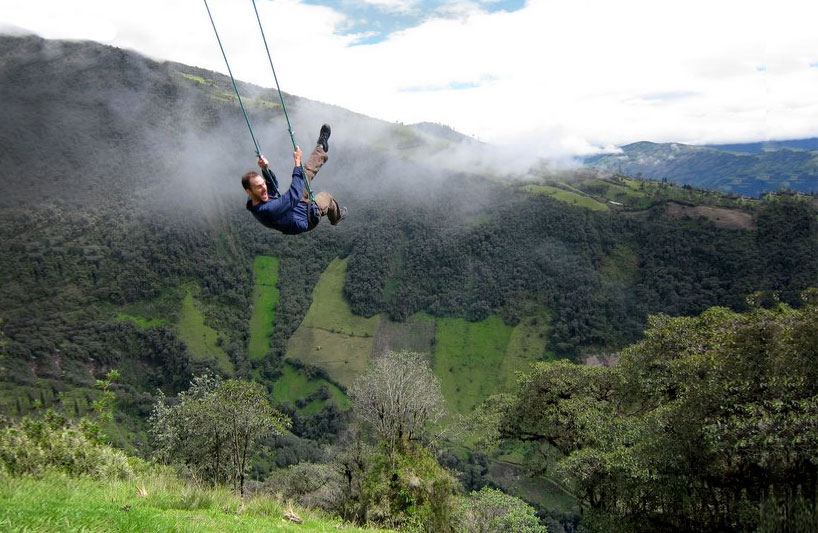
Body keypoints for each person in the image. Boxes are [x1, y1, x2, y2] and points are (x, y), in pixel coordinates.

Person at [242, 124, 346, 235]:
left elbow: (273, 186)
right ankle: (336, 218)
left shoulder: (254, 198)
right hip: (307, 217)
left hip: (295, 206)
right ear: (249, 191)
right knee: (327, 197)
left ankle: (321, 146)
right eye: (259, 186)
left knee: (304, 172)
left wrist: (265, 169)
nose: (264, 188)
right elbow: (294, 196)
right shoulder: (267, 210)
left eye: (262, 184)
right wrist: (297, 162)